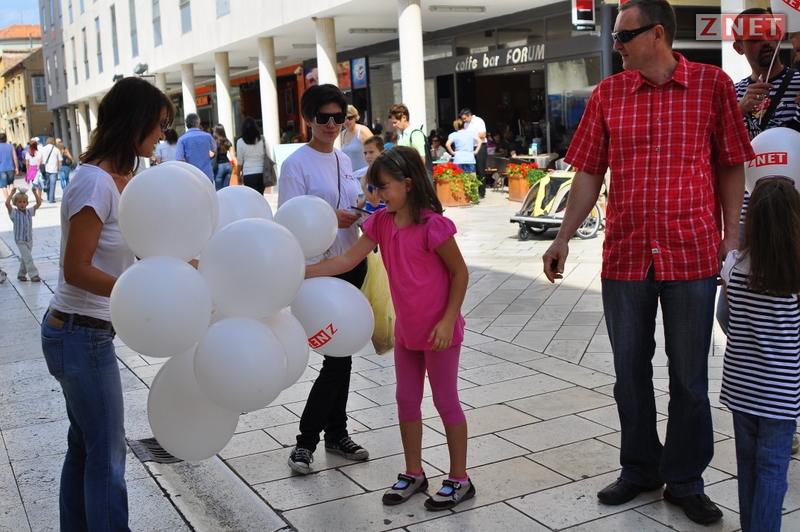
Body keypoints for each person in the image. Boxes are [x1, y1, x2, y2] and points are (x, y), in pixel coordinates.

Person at [541, 0, 754, 525]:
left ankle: (685, 479)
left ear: (658, 34)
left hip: (692, 252)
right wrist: (563, 237)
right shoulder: (608, 94)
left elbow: (731, 162)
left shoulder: (712, 86)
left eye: (624, 36)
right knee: (628, 374)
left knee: (690, 379)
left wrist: (731, 236)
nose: (615, 45)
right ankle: (639, 469)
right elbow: (588, 172)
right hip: (626, 256)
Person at [304, 146, 472, 510]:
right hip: (407, 333)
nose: (377, 195)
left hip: (440, 334)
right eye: (373, 188)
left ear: (407, 184)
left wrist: (448, 320)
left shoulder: (433, 225)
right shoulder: (381, 222)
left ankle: (460, 479)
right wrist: (301, 271)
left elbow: (460, 273)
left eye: (383, 187)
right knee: (406, 401)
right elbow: (346, 260)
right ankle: (414, 472)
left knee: (445, 402)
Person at [41, 76, 174, 531]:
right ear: (135, 121)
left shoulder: (125, 181)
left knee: (86, 445)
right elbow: (76, 268)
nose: (162, 134)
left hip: (86, 333)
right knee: (108, 453)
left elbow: (137, 251)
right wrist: (135, 292)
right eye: (159, 124)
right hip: (78, 333)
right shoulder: (94, 182)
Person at [279, 84, 369, 475]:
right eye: (323, 118)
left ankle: (336, 434)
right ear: (308, 119)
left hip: (351, 262)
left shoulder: (343, 159)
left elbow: (350, 201)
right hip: (316, 271)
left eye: (338, 117)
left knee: (341, 356)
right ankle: (306, 443)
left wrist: (361, 211)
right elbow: (289, 221)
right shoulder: (295, 164)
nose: (331, 125)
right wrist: (332, 217)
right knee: (336, 359)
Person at [718, 176, 800, 532]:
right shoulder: (795, 274)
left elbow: (725, 317)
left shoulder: (734, 265)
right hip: (781, 394)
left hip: (741, 387)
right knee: (773, 472)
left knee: (748, 467)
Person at [5, 187, 42, 282]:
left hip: (29, 239)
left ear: (27, 203)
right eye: (19, 202)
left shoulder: (29, 211)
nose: (22, 204)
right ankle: (34, 274)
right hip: (20, 239)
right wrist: (11, 193)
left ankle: (21, 274)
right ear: (15, 203)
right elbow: (7, 204)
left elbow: (38, 204)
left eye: (24, 202)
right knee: (28, 257)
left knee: (25, 258)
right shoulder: (14, 213)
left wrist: (35, 193)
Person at [175, 113, 216, 182]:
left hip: (191, 175)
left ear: (186, 124)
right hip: (207, 174)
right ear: (198, 123)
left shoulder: (182, 139)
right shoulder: (208, 136)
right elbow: (214, 149)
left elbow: (179, 159)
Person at [354, 135, 385, 213]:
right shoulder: (371, 172)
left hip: (378, 216)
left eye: (371, 152)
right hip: (371, 215)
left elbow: (375, 202)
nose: (367, 156)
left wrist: (363, 185)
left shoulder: (378, 174)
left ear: (381, 152)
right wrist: (352, 210)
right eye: (365, 153)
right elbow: (366, 199)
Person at [236, 117, 267, 195]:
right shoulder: (262, 139)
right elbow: (267, 155)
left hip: (248, 173)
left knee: (251, 197)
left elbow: (240, 161)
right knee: (260, 196)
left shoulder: (240, 142)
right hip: (262, 173)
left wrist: (238, 174)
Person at [340, 105, 373, 172]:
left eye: (350, 118)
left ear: (356, 117)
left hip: (365, 173)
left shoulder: (362, 131)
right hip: (350, 175)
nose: (347, 121)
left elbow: (375, 150)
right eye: (344, 118)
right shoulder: (342, 134)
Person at [459, 108, 487, 180]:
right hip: (470, 148)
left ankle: (482, 187)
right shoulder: (466, 124)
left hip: (480, 147)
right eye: (463, 119)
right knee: (471, 169)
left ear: (469, 115)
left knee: (480, 169)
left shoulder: (478, 121)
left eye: (465, 118)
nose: (464, 120)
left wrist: (472, 137)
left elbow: (483, 134)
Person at [212, 124, 237, 190]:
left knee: (219, 189)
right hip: (228, 165)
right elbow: (233, 156)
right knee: (226, 188)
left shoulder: (214, 142)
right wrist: (238, 168)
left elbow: (211, 154)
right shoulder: (227, 142)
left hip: (219, 167)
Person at [38, 137, 62, 204]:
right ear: (53, 142)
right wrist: (59, 167)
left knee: (47, 183)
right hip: (54, 169)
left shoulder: (43, 149)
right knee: (52, 184)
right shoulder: (56, 149)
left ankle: (49, 197)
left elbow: (39, 159)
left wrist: (38, 167)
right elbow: (60, 160)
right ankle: (51, 199)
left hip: (45, 169)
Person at [0, 133, 18, 199]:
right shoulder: (11, 146)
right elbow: (15, 157)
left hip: (1, 168)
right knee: (11, 182)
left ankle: (7, 199)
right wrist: (16, 167)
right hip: (10, 167)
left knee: (3, 185)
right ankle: (11, 197)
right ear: (6, 138)